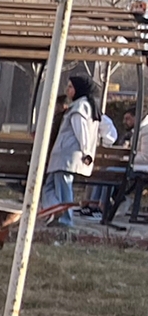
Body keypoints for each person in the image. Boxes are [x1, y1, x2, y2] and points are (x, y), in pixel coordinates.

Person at [44, 74, 108, 227]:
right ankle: (55, 210)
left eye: (71, 86)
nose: (67, 89)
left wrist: (86, 152)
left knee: (63, 188)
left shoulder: (79, 107)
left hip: (67, 154)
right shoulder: (87, 106)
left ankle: (65, 219)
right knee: (49, 187)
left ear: (79, 89)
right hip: (64, 155)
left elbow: (82, 132)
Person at [101, 106, 148, 226]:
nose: (124, 122)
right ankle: (95, 204)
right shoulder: (137, 131)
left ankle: (102, 205)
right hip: (137, 166)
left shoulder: (145, 131)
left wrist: (127, 159)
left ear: (137, 118)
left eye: (128, 118)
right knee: (106, 170)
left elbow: (145, 157)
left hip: (142, 168)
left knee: (110, 171)